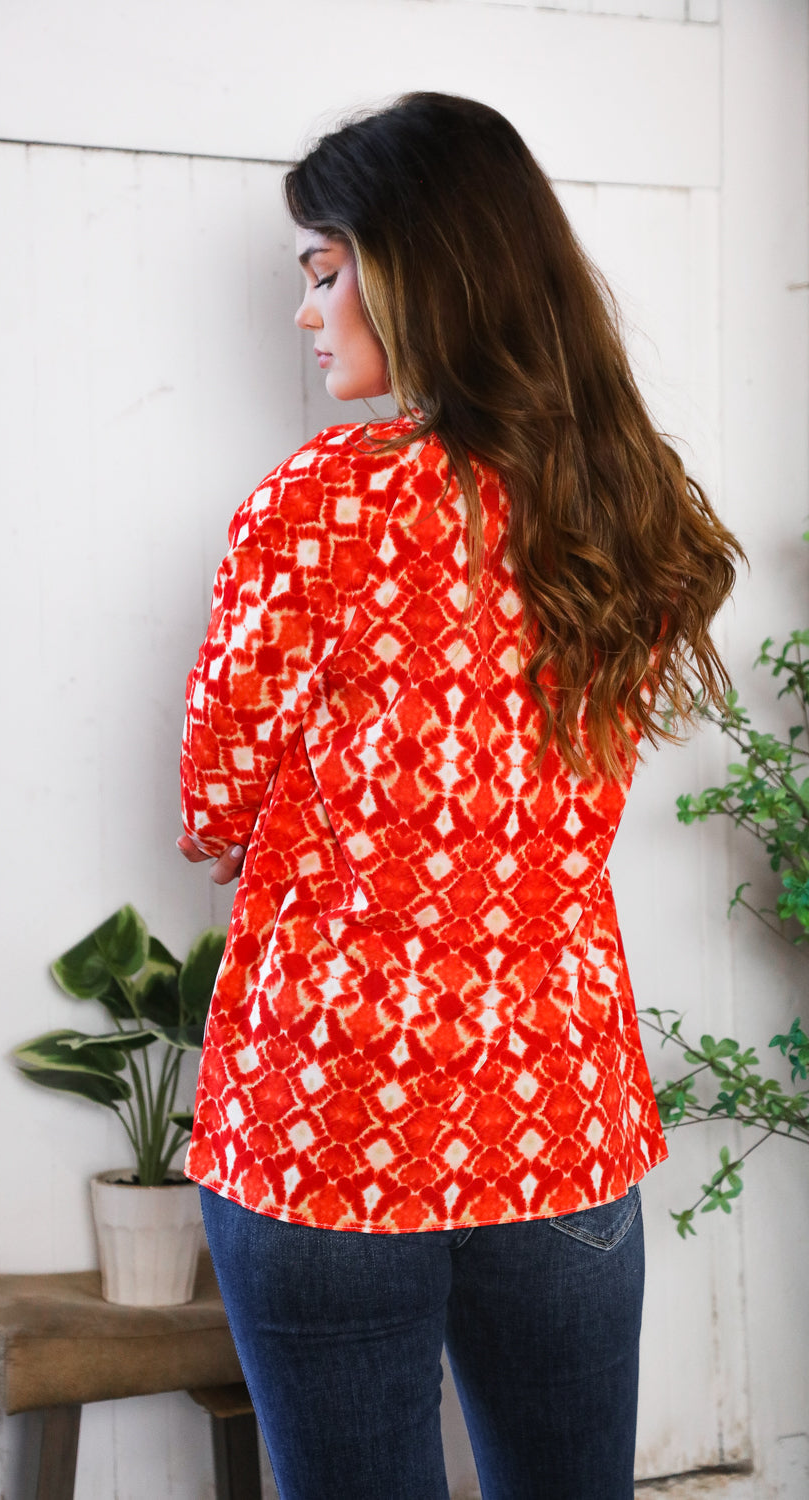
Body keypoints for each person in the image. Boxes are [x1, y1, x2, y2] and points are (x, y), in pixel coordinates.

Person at [176, 93, 741, 1500]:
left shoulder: (318, 505)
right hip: (557, 1108)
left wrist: (318, 818)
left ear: (417, 269)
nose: (306, 312)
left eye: (324, 271)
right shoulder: (622, 505)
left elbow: (216, 801)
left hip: (329, 1114)